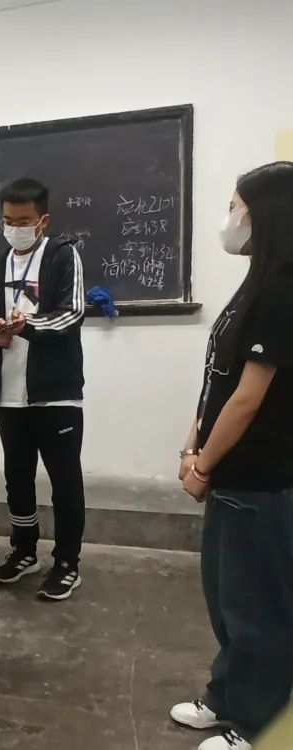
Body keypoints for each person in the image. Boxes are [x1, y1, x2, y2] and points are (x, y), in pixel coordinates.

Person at [169, 162, 293, 750]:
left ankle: (255, 724)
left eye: (235, 207)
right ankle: (225, 697)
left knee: (258, 611)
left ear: (265, 215)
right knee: (226, 601)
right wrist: (191, 445)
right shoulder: (255, 282)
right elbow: (217, 379)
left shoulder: (283, 289)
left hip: (260, 477)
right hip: (228, 474)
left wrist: (204, 465)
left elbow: (247, 399)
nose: (229, 218)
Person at [0, 178, 86, 601]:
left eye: (23, 221)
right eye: (8, 220)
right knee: (17, 477)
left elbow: (72, 313)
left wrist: (28, 326)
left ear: (43, 221)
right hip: (9, 392)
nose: (15, 228)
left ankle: (67, 562)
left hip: (55, 392)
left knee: (64, 480)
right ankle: (24, 551)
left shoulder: (62, 255)